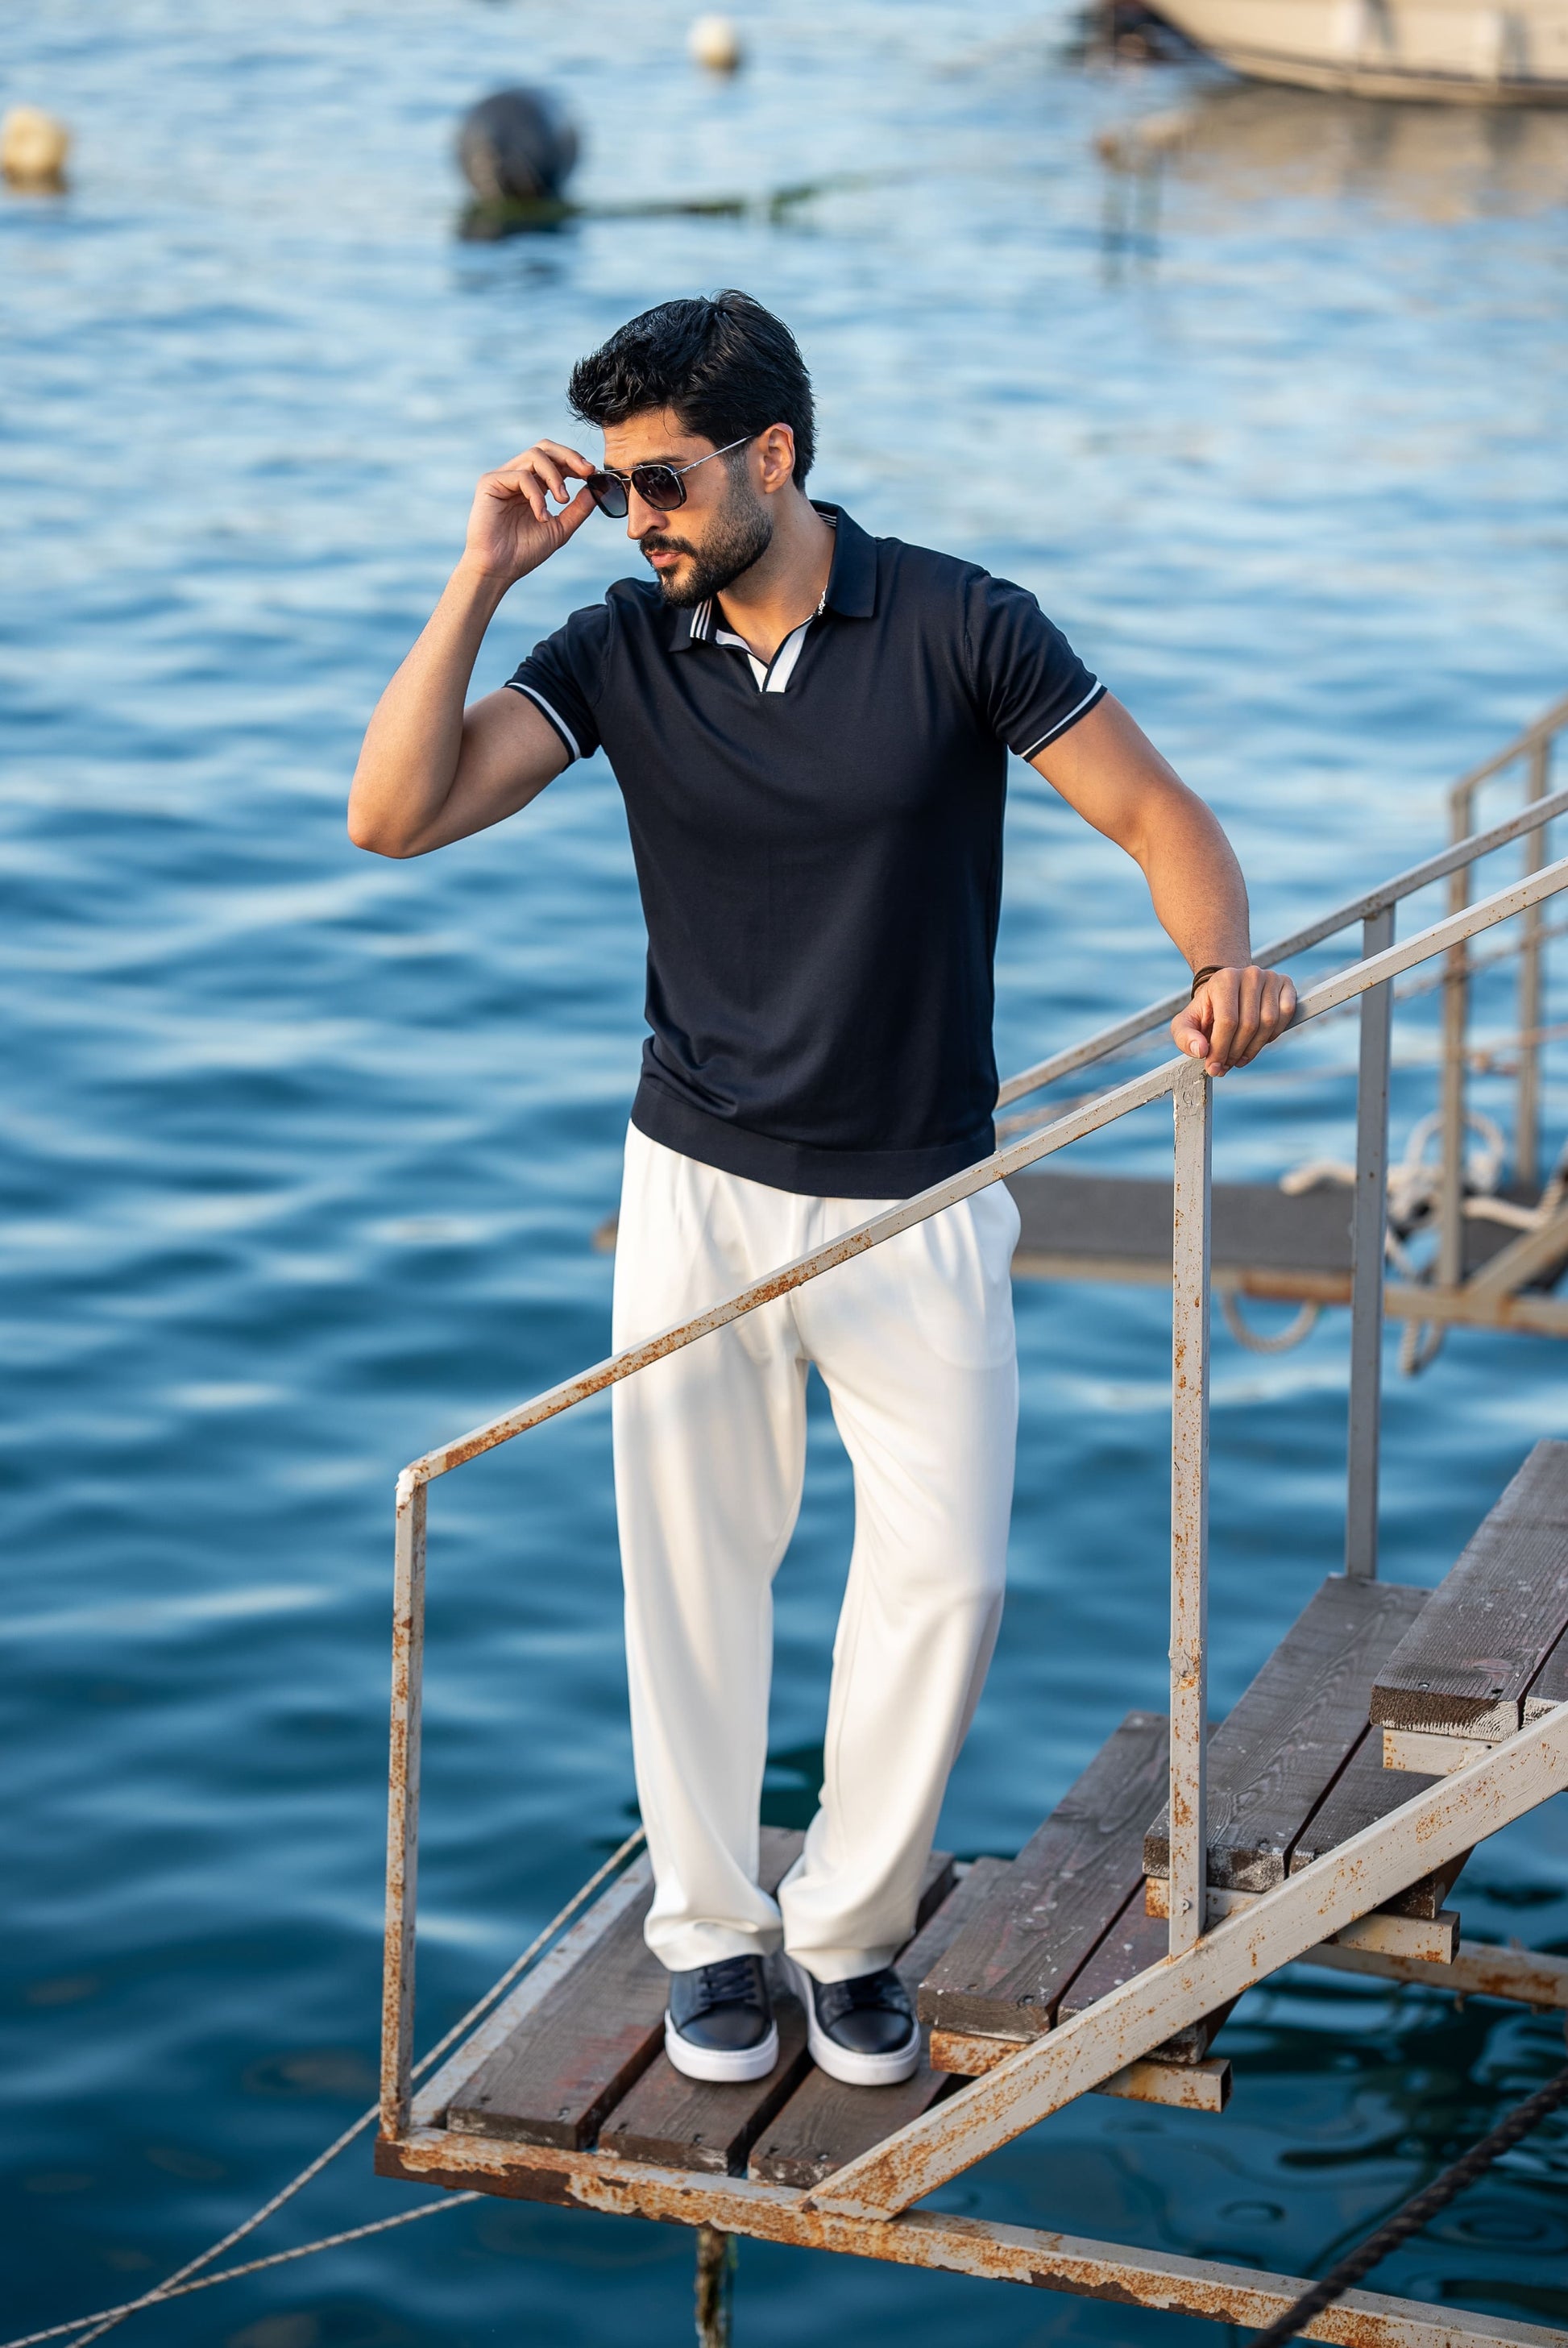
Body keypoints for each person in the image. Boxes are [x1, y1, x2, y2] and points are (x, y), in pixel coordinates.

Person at [348, 290, 1296, 2091]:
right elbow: (393, 816)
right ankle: (710, 1931)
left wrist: (1222, 962)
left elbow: (1160, 819)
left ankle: (850, 1929)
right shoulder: (619, 643)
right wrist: (478, 573)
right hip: (693, 1176)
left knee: (942, 1580)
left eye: (664, 481)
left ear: (772, 453)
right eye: (619, 487)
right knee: (691, 1570)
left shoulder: (956, 620)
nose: (639, 519)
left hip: (918, 1191)